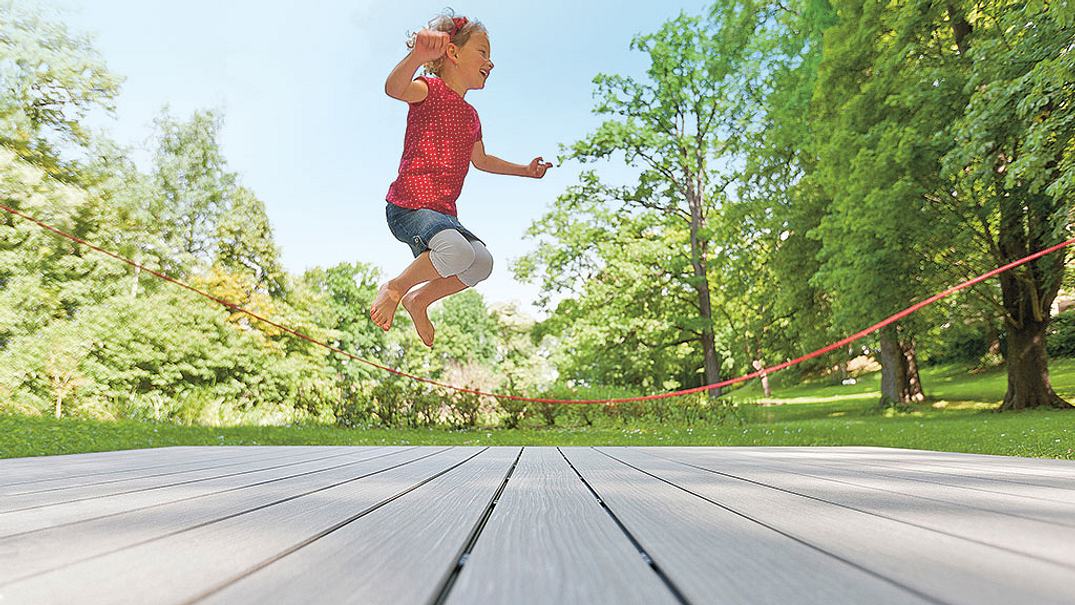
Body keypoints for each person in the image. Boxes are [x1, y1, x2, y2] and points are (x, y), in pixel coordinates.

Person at [370, 12, 552, 347]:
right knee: (456, 251)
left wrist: (524, 171)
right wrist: (418, 56)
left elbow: (482, 160)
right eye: (483, 52)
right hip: (409, 206)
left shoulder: (471, 116)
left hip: (442, 215)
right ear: (453, 53)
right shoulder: (429, 90)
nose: (490, 63)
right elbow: (393, 88)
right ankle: (396, 288)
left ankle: (419, 300)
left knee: (481, 263)